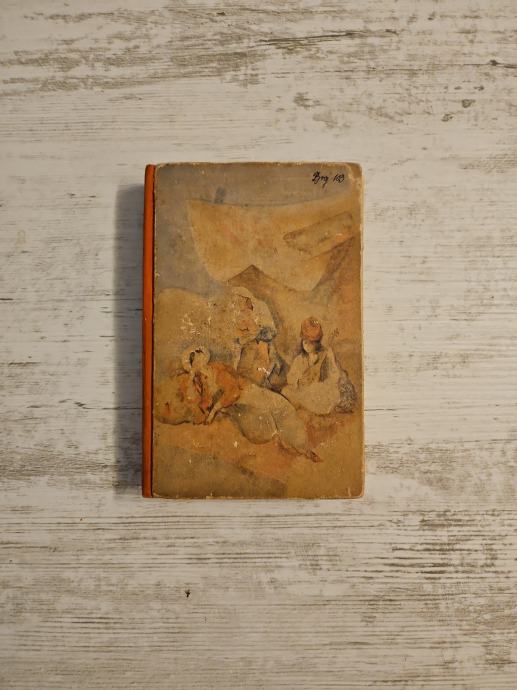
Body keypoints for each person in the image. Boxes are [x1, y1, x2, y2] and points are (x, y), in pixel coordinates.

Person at [282, 317, 356, 415]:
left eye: (311, 342)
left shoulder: (327, 354)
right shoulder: (300, 358)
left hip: (320, 390)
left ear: (317, 343)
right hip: (303, 390)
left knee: (324, 394)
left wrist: (320, 384)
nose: (307, 344)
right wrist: (298, 381)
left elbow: (334, 375)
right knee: (286, 391)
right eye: (305, 341)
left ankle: (306, 404)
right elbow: (291, 376)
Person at [237, 325, 287, 391]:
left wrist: (266, 375)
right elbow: (243, 370)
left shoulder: (268, 346)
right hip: (248, 381)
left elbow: (272, 362)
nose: (270, 341)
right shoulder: (251, 346)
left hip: (261, 380)